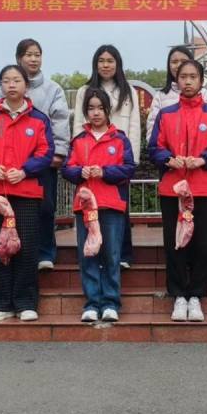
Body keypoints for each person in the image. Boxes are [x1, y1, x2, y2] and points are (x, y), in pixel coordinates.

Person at [0, 65, 54, 322]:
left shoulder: (39, 119)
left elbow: (46, 152)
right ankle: (0, 303)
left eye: (16, 80)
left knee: (26, 247)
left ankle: (26, 302)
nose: (11, 85)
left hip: (26, 191)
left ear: (26, 86)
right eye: (6, 80)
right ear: (1, 86)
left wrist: (26, 170)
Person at [148, 60, 207, 322]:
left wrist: (203, 160)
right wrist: (168, 159)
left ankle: (196, 295)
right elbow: (154, 148)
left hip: (203, 188)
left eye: (193, 76)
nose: (188, 81)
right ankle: (178, 295)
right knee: (175, 243)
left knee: (202, 243)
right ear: (177, 80)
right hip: (173, 190)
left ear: (202, 81)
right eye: (183, 76)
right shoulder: (166, 114)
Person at [62, 88, 136, 322]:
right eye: (91, 108)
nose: (96, 113)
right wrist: (79, 172)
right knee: (88, 254)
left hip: (111, 205)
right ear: (85, 112)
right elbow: (66, 169)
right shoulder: (79, 140)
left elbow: (128, 168)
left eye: (100, 108)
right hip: (85, 207)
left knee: (112, 254)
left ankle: (111, 302)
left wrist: (105, 172)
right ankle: (92, 303)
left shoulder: (120, 139)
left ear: (108, 111)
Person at [0, 39, 69, 271]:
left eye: (37, 54)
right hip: (12, 164)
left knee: (46, 207)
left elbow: (60, 121)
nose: (33, 59)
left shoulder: (53, 89)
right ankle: (19, 252)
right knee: (15, 209)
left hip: (43, 160)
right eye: (28, 54)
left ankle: (46, 253)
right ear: (19, 58)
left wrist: (59, 152)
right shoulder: (3, 90)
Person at [73, 45, 140, 268]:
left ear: (118, 64)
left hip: (118, 158)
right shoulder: (84, 91)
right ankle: (96, 253)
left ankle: (123, 255)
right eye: (101, 61)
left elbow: (134, 126)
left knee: (119, 208)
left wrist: (132, 160)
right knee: (91, 209)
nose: (105, 65)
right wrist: (79, 157)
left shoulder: (128, 90)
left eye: (110, 61)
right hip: (89, 157)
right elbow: (78, 125)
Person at [145, 45, 207, 143]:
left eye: (183, 61)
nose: (178, 65)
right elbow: (152, 132)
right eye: (174, 62)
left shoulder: (204, 94)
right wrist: (166, 152)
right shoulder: (160, 96)